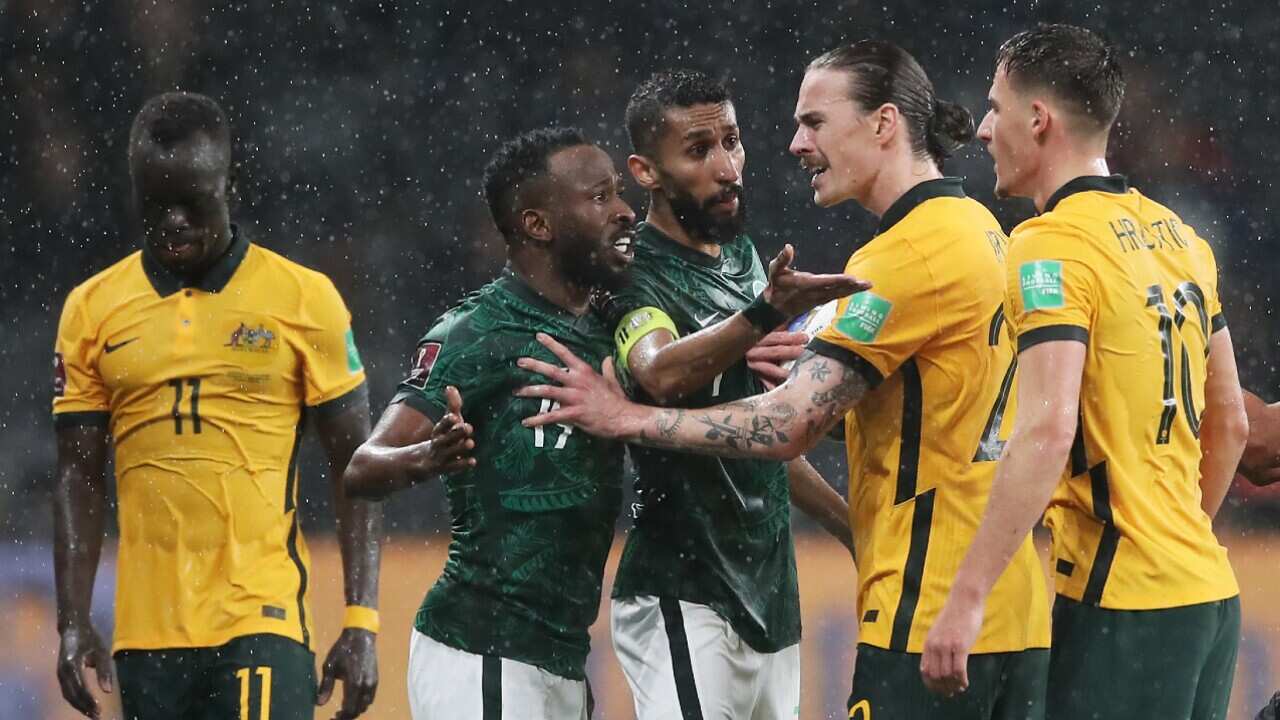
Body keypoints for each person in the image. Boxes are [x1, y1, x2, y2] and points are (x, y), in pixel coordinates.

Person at [517, 42, 1052, 719]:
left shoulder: (897, 256)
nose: (794, 144)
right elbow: (925, 410)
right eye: (701, 148)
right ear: (645, 171)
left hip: (926, 601)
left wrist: (629, 417)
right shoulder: (982, 228)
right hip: (999, 602)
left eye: (815, 122)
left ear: (883, 123)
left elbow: (789, 424)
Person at [920, 25, 1247, 720]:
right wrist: (1177, 540)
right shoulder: (1181, 237)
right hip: (1207, 594)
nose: (983, 129)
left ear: (1038, 120)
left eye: (996, 108)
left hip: (1121, 609)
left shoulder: (1050, 245)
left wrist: (968, 596)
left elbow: (1046, 430)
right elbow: (1232, 421)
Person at [52, 92, 382, 720]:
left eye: (192, 201)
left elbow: (357, 464)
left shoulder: (303, 300)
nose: (173, 220)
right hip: (145, 637)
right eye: (155, 203)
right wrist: (72, 620)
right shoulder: (91, 310)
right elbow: (78, 473)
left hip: (261, 619)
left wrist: (361, 621)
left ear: (231, 186)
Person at [591, 68, 866, 720]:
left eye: (732, 142)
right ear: (646, 171)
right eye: (698, 150)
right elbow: (658, 372)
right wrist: (763, 314)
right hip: (683, 590)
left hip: (771, 593)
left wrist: (853, 530)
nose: (726, 167)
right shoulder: (630, 270)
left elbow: (757, 432)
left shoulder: (741, 257)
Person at [341, 126, 633, 720]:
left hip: (559, 657)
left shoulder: (611, 327)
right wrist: (425, 457)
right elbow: (362, 468)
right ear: (538, 225)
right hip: (481, 649)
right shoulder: (475, 332)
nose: (625, 211)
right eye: (600, 196)